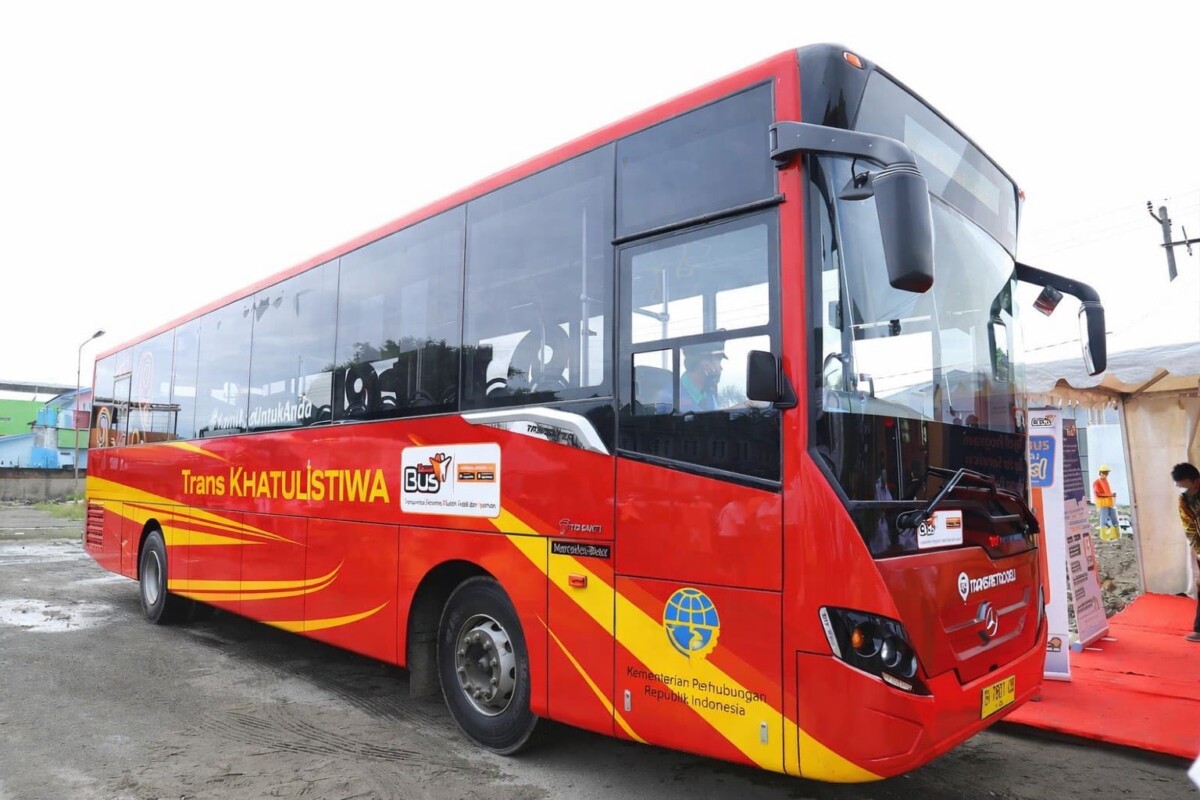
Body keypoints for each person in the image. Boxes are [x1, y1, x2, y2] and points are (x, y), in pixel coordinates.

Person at [1170, 462, 1200, 642]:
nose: (1184, 491)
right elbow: (1189, 527)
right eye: (1180, 487)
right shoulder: (1184, 500)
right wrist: (1199, 549)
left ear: (1196, 481)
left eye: (1186, 487)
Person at [679, 342, 727, 413]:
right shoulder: (671, 397)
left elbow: (716, 416)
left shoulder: (708, 393)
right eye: (719, 360)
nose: (721, 368)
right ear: (705, 363)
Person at [1092, 464, 1119, 542]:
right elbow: (1098, 494)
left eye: (1106, 473)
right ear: (1100, 472)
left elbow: (1107, 492)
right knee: (1104, 521)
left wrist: (1111, 496)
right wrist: (1110, 495)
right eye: (1103, 472)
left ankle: (1115, 535)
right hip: (1103, 504)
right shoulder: (1097, 482)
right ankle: (1104, 537)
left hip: (1109, 503)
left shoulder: (1106, 481)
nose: (1104, 474)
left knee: (1114, 519)